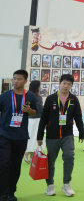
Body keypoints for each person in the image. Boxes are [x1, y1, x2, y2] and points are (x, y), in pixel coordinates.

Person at [37, 74, 84, 196]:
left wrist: (81, 132)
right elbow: (43, 118)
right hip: (52, 135)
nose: (66, 86)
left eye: (69, 84)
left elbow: (78, 117)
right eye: (64, 83)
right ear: (59, 83)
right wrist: (39, 136)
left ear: (71, 86)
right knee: (50, 161)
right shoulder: (50, 98)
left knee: (69, 156)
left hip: (67, 135)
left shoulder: (73, 99)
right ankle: (50, 185)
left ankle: (66, 184)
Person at [0, 70, 37, 201]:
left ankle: (11, 192)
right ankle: (2, 193)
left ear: (25, 80)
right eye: (14, 78)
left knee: (15, 166)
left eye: (19, 79)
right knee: (3, 164)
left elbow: (35, 112)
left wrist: (29, 110)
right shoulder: (4, 96)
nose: (15, 81)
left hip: (21, 137)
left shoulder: (30, 96)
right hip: (4, 135)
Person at [24, 79, 43, 164]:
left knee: (30, 136)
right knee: (35, 137)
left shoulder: (27, 95)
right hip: (36, 120)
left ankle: (31, 155)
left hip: (28, 119)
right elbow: (39, 109)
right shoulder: (38, 97)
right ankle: (27, 153)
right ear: (37, 87)